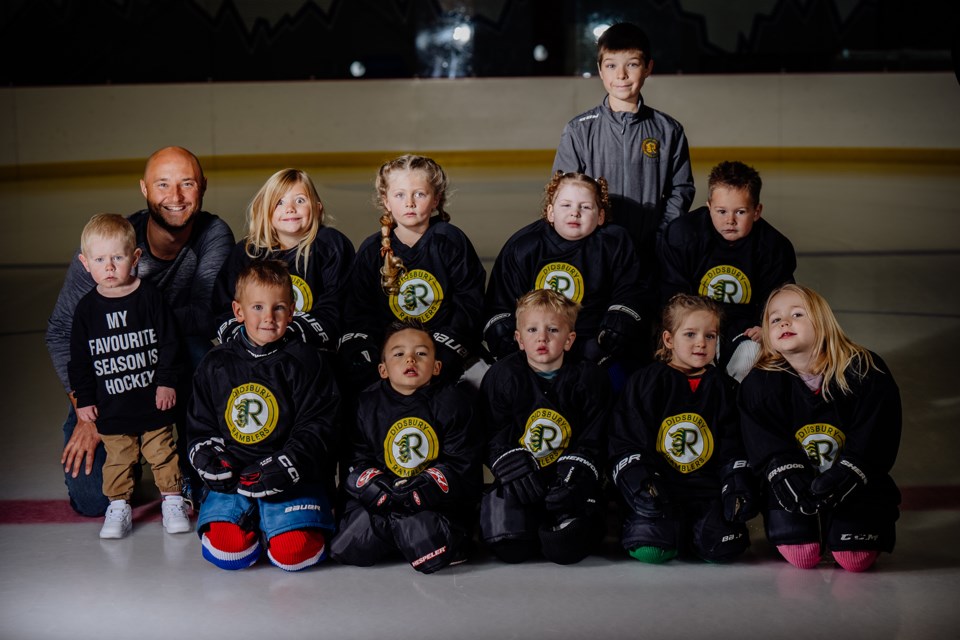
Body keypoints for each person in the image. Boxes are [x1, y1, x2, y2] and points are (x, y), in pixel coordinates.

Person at [46, 146, 235, 517]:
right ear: (144, 190)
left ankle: (187, 463)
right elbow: (60, 330)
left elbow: (206, 317)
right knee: (92, 500)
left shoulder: (212, 235)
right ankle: (130, 444)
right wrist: (84, 409)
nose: (175, 197)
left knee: (197, 349)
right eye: (162, 184)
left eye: (187, 184)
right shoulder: (110, 246)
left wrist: (141, 314)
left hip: (167, 366)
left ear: (203, 187)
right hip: (109, 375)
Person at [186, 260, 340, 571]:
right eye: (257, 307)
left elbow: (318, 427)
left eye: (279, 307)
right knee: (229, 552)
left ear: (293, 310)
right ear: (238, 311)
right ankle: (254, 519)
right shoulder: (216, 363)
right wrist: (208, 456)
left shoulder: (308, 362)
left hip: (292, 478)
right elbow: (200, 423)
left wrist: (287, 466)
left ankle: (278, 524)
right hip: (235, 477)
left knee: (292, 554)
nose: (268, 318)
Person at [739, 284, 902, 572]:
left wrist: (849, 474)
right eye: (775, 319)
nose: (784, 322)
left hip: (857, 486)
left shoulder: (865, 369)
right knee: (802, 553)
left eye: (797, 314)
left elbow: (877, 434)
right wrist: (784, 473)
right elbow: (764, 440)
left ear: (823, 322)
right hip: (799, 486)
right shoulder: (760, 383)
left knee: (855, 558)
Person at [608, 294, 758, 564]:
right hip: (661, 490)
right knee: (651, 550)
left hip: (707, 492)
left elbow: (732, 444)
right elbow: (628, 440)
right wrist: (639, 478)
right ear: (668, 339)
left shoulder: (724, 387)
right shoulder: (646, 382)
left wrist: (735, 483)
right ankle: (672, 529)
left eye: (710, 336)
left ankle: (693, 531)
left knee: (724, 548)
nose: (701, 342)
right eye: (690, 334)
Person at [67, 214, 191, 539]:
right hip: (112, 407)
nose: (109, 267)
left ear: (135, 258)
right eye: (99, 259)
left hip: (152, 403)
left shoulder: (149, 297)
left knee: (164, 453)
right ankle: (118, 505)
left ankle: (173, 500)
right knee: (118, 460)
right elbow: (79, 361)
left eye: (118, 258)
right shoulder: (86, 310)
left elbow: (169, 342)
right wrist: (84, 400)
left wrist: (166, 381)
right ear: (85, 263)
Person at [329, 320, 482, 574]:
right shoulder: (365, 404)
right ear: (383, 369)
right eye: (399, 354)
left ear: (436, 367)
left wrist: (425, 486)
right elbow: (354, 460)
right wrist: (377, 488)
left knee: (431, 541)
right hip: (383, 500)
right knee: (346, 548)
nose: (410, 360)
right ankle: (405, 531)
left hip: (433, 502)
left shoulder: (454, 402)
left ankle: (410, 532)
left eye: (421, 353)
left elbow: (463, 463)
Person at [551, 22, 695, 277]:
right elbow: (563, 192)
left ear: (648, 67)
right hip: (595, 250)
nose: (621, 75)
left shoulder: (669, 130)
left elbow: (680, 190)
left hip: (651, 253)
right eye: (611, 65)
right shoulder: (578, 130)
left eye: (632, 64)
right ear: (600, 70)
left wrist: (662, 234)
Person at [479, 290, 610, 565]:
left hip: (566, 481)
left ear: (569, 339)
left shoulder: (589, 377)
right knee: (509, 546)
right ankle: (530, 523)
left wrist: (578, 473)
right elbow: (490, 432)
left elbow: (595, 435)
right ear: (519, 339)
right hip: (521, 482)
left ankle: (557, 521)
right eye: (532, 329)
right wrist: (506, 461)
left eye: (553, 329)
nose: (542, 338)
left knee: (565, 547)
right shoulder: (501, 376)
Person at [482, 171, 651, 383]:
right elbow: (500, 303)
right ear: (550, 212)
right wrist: (505, 336)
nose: (575, 213)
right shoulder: (524, 245)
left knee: (624, 380)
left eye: (585, 207)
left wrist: (619, 324)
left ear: (600, 216)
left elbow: (632, 290)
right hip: (539, 345)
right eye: (566, 205)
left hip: (594, 346)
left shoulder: (615, 243)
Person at [338, 154, 486, 389]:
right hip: (391, 356)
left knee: (487, 383)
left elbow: (470, 305)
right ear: (386, 201)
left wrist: (443, 350)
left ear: (436, 199)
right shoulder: (371, 250)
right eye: (399, 195)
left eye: (419, 194)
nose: (409, 203)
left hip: (446, 350)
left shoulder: (451, 241)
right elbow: (359, 312)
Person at [659, 160, 796, 382]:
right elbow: (672, 294)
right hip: (696, 325)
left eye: (740, 212)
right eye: (721, 211)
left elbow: (781, 298)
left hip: (745, 328)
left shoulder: (773, 247)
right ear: (709, 205)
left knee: (750, 357)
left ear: (757, 211)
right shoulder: (683, 235)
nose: (729, 220)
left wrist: (769, 327)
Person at [211, 168, 355, 352]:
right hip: (256, 348)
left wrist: (285, 336)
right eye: (279, 202)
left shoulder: (332, 246)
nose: (290, 208)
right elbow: (224, 307)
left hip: (315, 351)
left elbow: (337, 306)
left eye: (300, 200)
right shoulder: (248, 252)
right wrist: (249, 341)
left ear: (318, 209)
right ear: (265, 210)